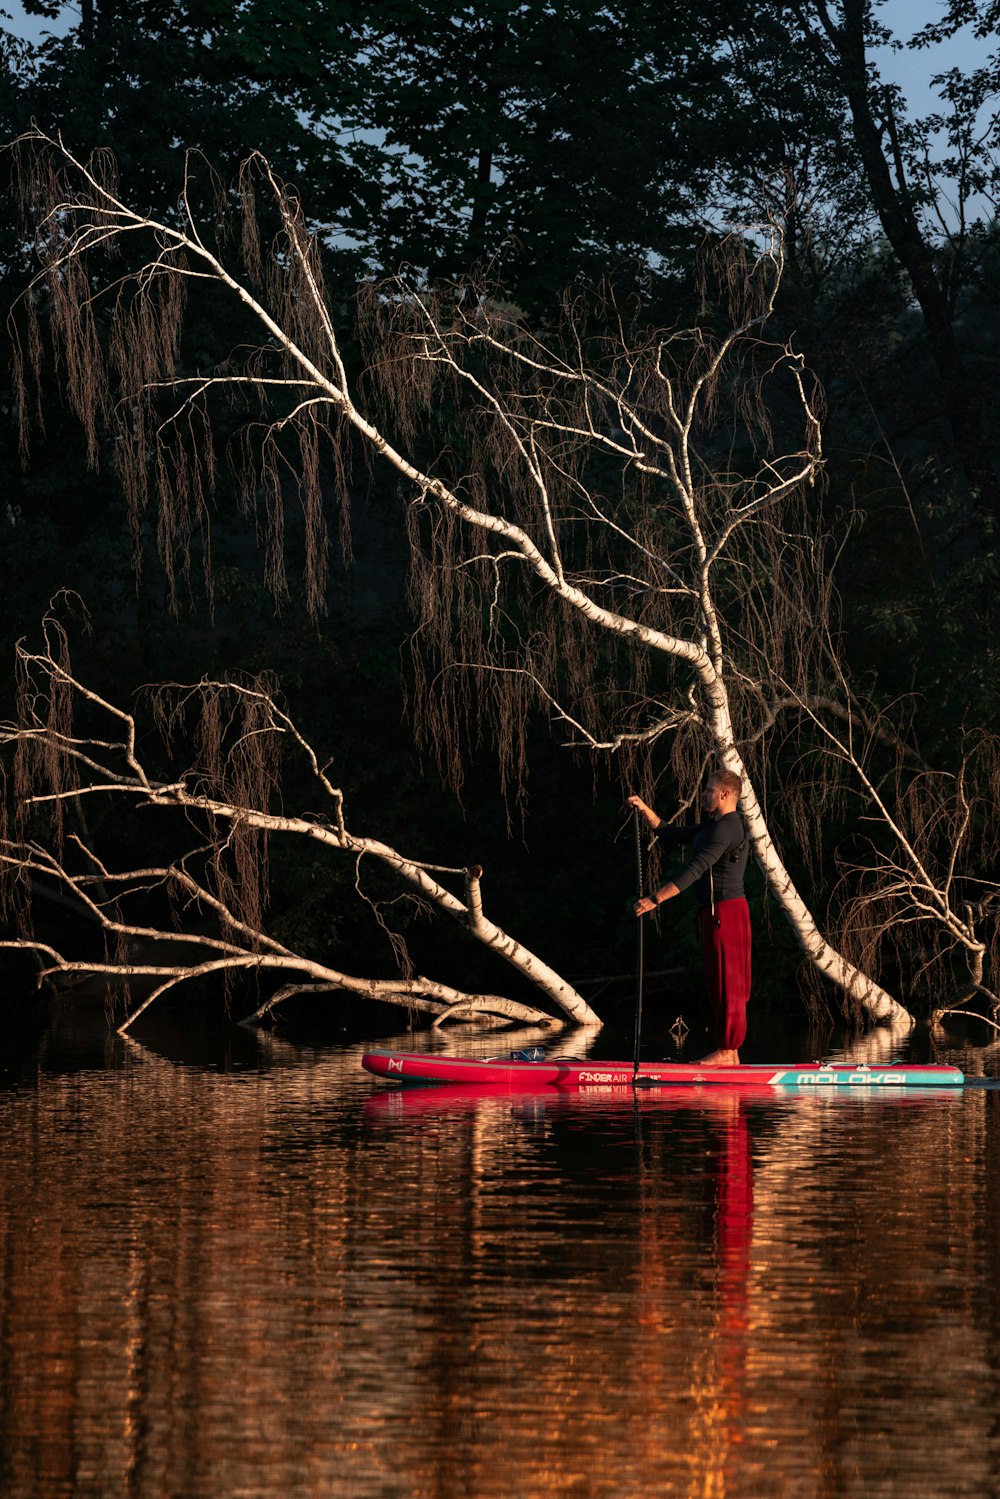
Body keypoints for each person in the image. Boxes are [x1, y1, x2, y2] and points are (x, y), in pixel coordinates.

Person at [628, 771, 751, 1066]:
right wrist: (645, 809)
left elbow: (694, 870)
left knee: (729, 982)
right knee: (715, 981)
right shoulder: (713, 825)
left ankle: (728, 1049)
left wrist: (654, 899)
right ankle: (729, 1053)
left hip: (728, 913)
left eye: (709, 790)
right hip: (712, 913)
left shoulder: (727, 829)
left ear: (724, 794)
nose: (703, 794)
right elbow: (671, 834)